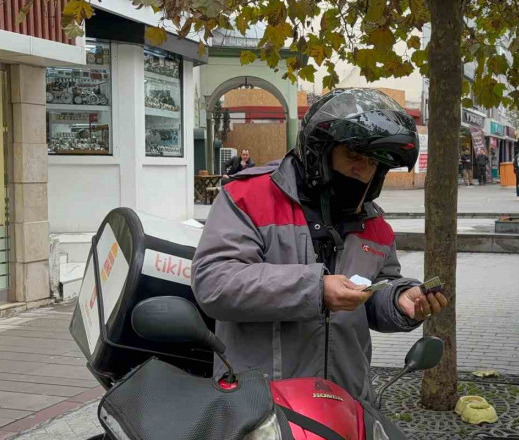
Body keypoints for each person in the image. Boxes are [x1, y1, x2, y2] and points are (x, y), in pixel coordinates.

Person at [191, 89, 449, 402]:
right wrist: (315, 289)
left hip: (343, 404)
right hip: (259, 406)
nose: (362, 171)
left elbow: (372, 293)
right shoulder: (248, 197)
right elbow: (214, 282)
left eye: (372, 163)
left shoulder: (375, 227)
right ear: (318, 152)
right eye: (353, 156)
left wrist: (398, 300)